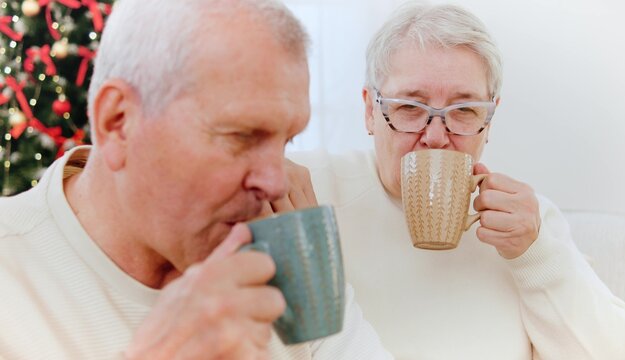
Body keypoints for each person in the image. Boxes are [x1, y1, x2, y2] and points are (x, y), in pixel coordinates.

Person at [0, 0, 393, 359]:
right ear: (118, 122)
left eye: (286, 140)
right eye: (240, 136)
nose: (275, 183)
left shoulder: (283, 254)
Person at [287, 3, 625, 359]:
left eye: (464, 111)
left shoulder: (527, 224)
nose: (436, 137)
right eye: (410, 107)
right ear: (370, 111)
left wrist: (535, 254)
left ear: (489, 121)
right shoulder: (303, 192)